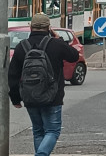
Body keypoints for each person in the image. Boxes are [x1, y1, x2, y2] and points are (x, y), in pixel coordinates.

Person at [8, 13, 79, 156]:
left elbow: (13, 75)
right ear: (48, 28)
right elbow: (74, 56)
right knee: (52, 131)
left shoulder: (22, 47)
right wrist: (59, 39)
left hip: (29, 97)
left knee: (38, 131)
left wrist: (15, 98)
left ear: (31, 27)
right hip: (53, 97)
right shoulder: (56, 44)